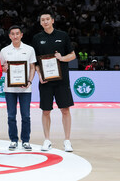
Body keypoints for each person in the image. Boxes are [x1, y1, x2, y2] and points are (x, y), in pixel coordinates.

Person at [32, 10, 76, 152]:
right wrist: (39, 75)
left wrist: (62, 58)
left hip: (62, 80)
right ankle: (47, 140)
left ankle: (67, 140)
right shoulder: (37, 38)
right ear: (40, 23)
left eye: (47, 19)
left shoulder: (62, 36)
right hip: (46, 81)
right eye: (42, 19)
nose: (45, 21)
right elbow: (35, 62)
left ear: (52, 21)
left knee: (65, 110)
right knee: (45, 111)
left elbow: (73, 55)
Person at [0, 25, 36, 151]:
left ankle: (25, 140)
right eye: (12, 34)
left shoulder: (29, 49)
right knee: (11, 116)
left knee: (26, 116)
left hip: (25, 88)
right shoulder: (4, 51)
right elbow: (2, 68)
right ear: (9, 36)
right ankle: (13, 140)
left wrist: (29, 81)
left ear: (21, 35)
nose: (15, 36)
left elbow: (32, 67)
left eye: (17, 33)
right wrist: (4, 69)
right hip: (10, 89)